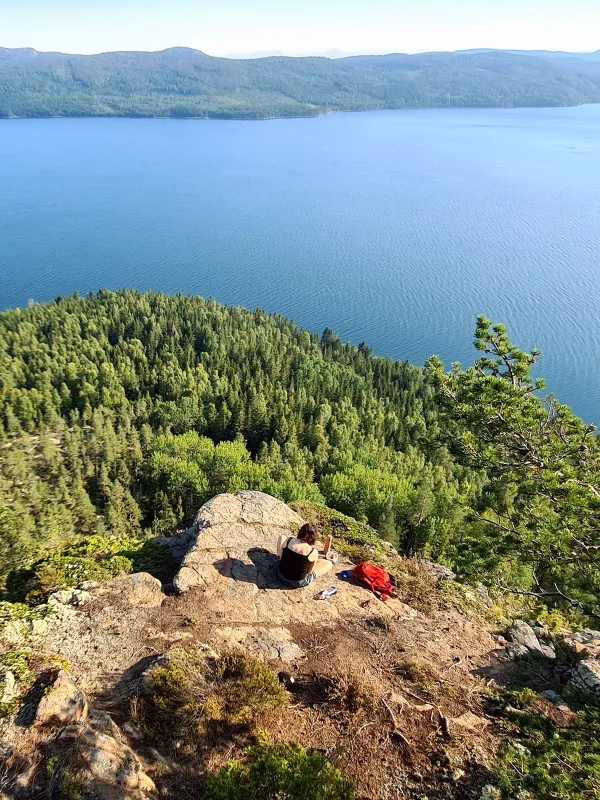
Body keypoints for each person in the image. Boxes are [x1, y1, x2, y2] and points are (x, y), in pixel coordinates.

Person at [276, 523, 333, 588]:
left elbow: (285, 556)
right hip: (297, 582)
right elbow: (309, 571)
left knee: (282, 537)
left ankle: (278, 558)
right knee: (329, 564)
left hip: (280, 574)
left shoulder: (289, 540)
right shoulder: (313, 552)